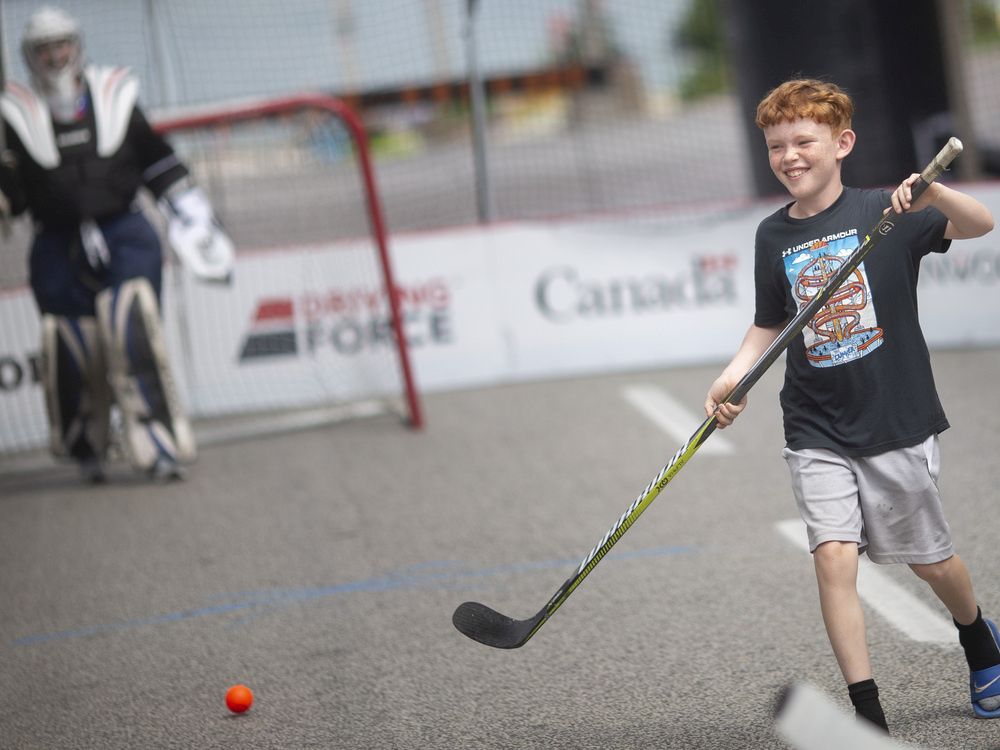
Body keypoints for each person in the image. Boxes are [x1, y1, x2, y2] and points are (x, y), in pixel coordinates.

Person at [703, 79, 998, 733]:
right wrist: (732, 381)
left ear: (842, 144)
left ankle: (978, 637)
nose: (789, 155)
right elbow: (767, 324)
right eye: (777, 145)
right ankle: (868, 715)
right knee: (834, 558)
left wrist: (934, 192)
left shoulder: (883, 213)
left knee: (931, 561)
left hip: (894, 418)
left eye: (803, 141)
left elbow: (982, 223)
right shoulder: (771, 235)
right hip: (814, 424)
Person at [0, 6, 233, 482]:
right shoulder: (14, 116)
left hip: (124, 231)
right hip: (56, 244)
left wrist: (193, 217)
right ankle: (86, 445)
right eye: (43, 48)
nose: (54, 56)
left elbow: (157, 162)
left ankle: (159, 446)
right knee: (71, 344)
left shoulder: (116, 96)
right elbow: (14, 197)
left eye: (60, 44)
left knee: (132, 327)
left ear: (77, 45)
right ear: (29, 55)